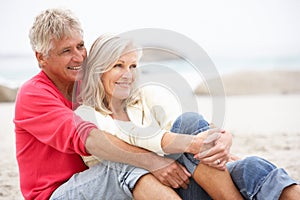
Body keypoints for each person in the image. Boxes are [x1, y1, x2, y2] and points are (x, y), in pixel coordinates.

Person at [14, 8, 240, 200]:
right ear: (41, 57)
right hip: (57, 193)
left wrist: (218, 137)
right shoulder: (34, 94)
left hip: (106, 186)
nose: (80, 57)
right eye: (66, 51)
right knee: (124, 163)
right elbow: (90, 139)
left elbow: (146, 116)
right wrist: (153, 162)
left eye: (80, 46)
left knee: (181, 135)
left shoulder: (90, 84)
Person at [75, 33, 300, 200]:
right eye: (118, 65)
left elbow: (185, 125)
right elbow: (132, 137)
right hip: (155, 192)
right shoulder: (86, 115)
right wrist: (193, 143)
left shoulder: (145, 97)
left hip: (188, 181)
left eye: (133, 65)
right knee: (191, 127)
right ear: (99, 70)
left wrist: (220, 138)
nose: (128, 74)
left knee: (251, 166)